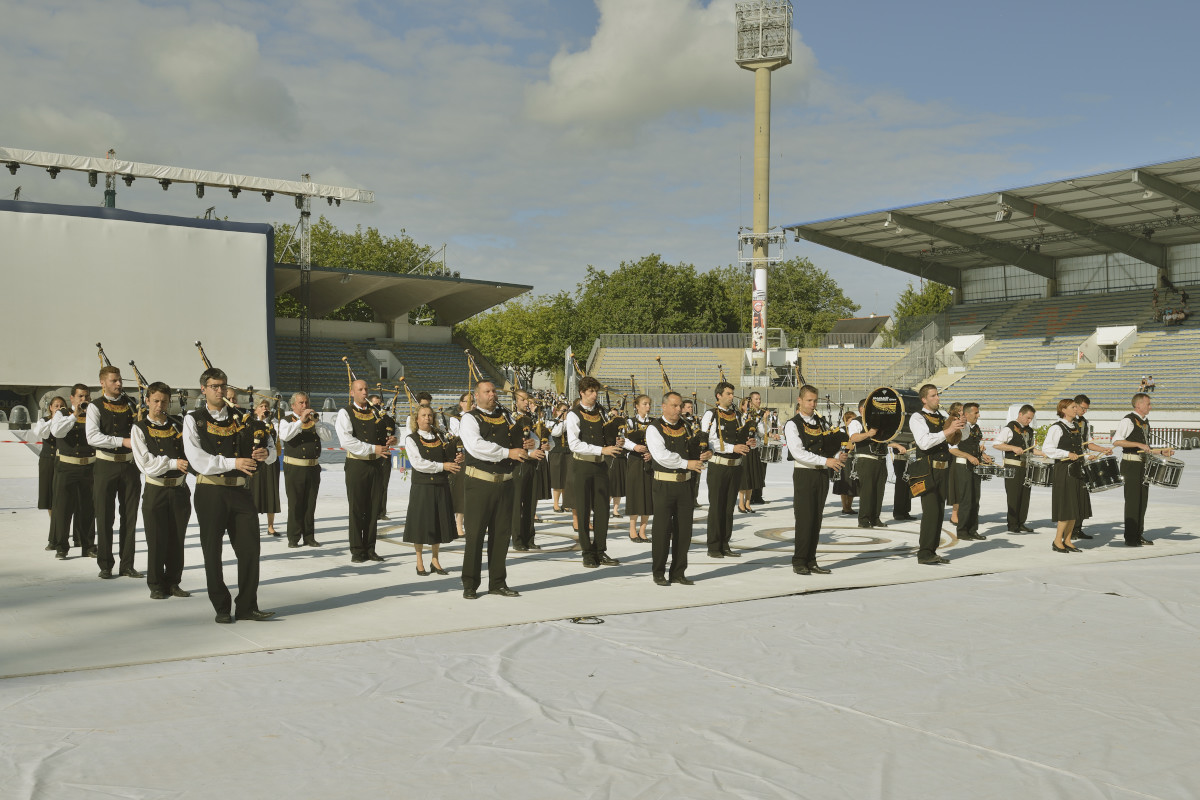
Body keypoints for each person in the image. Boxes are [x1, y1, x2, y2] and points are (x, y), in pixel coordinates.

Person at [183, 367, 275, 624]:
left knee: (250, 550)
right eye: (214, 386)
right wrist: (235, 463)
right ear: (203, 389)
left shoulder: (242, 417)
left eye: (223, 385)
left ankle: (247, 606)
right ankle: (221, 607)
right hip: (210, 490)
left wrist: (266, 454)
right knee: (212, 551)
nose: (220, 390)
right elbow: (198, 459)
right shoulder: (194, 419)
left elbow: (268, 444)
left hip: (241, 491)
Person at [459, 380, 532, 598]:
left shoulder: (506, 416)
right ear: (477, 396)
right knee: (475, 535)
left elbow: (527, 437)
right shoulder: (470, 418)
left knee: (501, 535)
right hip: (479, 483)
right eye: (487, 391)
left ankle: (498, 582)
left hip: (506, 483)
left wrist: (532, 443)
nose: (492, 394)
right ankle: (470, 584)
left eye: (493, 391)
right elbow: (476, 446)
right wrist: (507, 453)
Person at [131, 382, 192, 600]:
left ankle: (173, 581)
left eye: (164, 401)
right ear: (147, 401)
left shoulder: (178, 424)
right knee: (156, 540)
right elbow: (146, 464)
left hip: (179, 490)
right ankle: (156, 584)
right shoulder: (139, 428)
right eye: (155, 401)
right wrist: (174, 463)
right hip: (155, 491)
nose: (160, 405)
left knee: (177, 539)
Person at [645, 391, 710, 585]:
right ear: (663, 407)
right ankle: (658, 572)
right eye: (674, 406)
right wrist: (687, 463)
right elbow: (661, 456)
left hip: (685, 485)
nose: (678, 409)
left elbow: (695, 448)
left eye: (680, 406)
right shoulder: (654, 428)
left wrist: (706, 453)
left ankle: (678, 572)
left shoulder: (687, 426)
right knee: (662, 530)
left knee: (684, 531)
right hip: (664, 484)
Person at [87, 365, 143, 580]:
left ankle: (127, 564)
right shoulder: (95, 406)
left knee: (130, 516)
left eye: (120, 380)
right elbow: (93, 437)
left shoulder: (131, 404)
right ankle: (105, 564)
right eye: (114, 380)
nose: (119, 384)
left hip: (129, 466)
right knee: (104, 516)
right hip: (105, 465)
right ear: (102, 383)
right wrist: (122, 441)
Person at [785, 385, 847, 575]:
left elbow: (825, 448)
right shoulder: (792, 424)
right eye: (809, 400)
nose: (813, 404)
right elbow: (798, 453)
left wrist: (836, 456)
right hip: (805, 474)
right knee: (805, 518)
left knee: (816, 519)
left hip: (821, 474)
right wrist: (826, 461)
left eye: (815, 400)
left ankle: (811, 560)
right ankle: (799, 560)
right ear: (800, 400)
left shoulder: (820, 422)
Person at [566, 376, 624, 569]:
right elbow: (574, 444)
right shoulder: (573, 414)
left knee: (602, 510)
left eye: (595, 391)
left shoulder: (603, 412)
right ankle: (587, 552)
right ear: (582, 393)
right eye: (590, 391)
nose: (594, 395)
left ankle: (600, 550)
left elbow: (608, 437)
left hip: (600, 466)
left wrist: (618, 442)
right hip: (582, 465)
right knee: (583, 510)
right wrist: (602, 449)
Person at [336, 380, 397, 563]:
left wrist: (393, 439)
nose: (364, 392)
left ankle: (370, 548)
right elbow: (346, 441)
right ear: (352, 392)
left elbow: (391, 429)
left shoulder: (376, 411)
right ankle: (357, 550)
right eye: (360, 389)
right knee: (357, 508)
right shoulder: (345, 412)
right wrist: (373, 448)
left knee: (373, 508)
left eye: (366, 389)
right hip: (357, 465)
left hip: (376, 465)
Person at [908, 384, 965, 565]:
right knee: (931, 512)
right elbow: (924, 443)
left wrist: (960, 426)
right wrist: (948, 430)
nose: (937, 398)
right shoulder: (917, 417)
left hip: (943, 470)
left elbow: (954, 442)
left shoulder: (942, 417)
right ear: (924, 399)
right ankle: (924, 553)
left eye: (938, 395)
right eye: (933, 395)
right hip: (927, 470)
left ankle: (931, 551)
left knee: (939, 513)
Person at [404, 405, 462, 576]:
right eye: (423, 415)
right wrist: (443, 466)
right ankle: (419, 561)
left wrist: (458, 457)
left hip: (440, 485)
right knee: (420, 525)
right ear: (416, 419)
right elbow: (418, 463)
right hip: (422, 487)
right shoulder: (411, 439)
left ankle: (435, 560)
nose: (427, 418)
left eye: (430, 415)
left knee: (437, 523)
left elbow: (449, 457)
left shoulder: (441, 437)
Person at [1112, 392, 1174, 546]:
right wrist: (1137, 444)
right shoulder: (1128, 420)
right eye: (1148, 404)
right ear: (1138, 405)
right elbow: (1116, 441)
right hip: (1131, 464)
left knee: (1142, 501)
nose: (1150, 407)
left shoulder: (1144, 422)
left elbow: (1146, 448)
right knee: (1133, 501)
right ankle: (1130, 537)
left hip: (1143, 465)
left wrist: (1161, 452)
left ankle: (1138, 534)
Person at [702, 381, 754, 559]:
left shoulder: (737, 415)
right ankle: (713, 546)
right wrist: (733, 448)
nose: (732, 397)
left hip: (735, 466)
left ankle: (725, 543)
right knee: (717, 506)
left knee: (729, 507)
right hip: (718, 466)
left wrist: (749, 443)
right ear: (719, 395)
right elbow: (710, 440)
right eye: (728, 394)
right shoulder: (711, 414)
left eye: (732, 393)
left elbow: (741, 436)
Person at [277, 391, 333, 548]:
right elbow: (285, 436)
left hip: (313, 468)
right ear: (293, 406)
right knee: (295, 504)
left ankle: (309, 537)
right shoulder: (286, 420)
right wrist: (300, 421)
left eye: (306, 402)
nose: (305, 405)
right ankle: (293, 537)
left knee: (310, 503)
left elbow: (328, 437)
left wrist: (317, 422)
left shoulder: (314, 421)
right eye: (301, 403)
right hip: (294, 468)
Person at [48, 384, 96, 559]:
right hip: (66, 467)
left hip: (88, 467)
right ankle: (61, 546)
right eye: (80, 396)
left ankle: (88, 545)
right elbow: (57, 432)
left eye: (86, 396)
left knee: (88, 508)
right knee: (63, 508)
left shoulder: (93, 414)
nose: (84, 399)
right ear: (72, 398)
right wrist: (75, 415)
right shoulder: (62, 413)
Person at [1041, 398, 1087, 553]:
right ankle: (1057, 540)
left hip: (1076, 469)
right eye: (1073, 407)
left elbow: (1078, 450)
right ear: (1063, 410)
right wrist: (1066, 453)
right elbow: (1048, 449)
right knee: (1066, 506)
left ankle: (1067, 540)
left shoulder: (1075, 426)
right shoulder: (1057, 428)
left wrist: (1087, 456)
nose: (1076, 409)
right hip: (1064, 470)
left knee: (1075, 507)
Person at [947, 402, 991, 541]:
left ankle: (972, 530)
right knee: (965, 500)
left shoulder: (975, 428)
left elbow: (974, 446)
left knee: (975, 500)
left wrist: (982, 454)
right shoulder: (960, 428)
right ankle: (962, 531)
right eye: (976, 413)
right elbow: (952, 449)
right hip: (962, 467)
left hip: (974, 467)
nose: (978, 415)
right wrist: (969, 456)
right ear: (966, 414)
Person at [1072, 394, 1113, 540]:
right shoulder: (1066, 422)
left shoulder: (1085, 422)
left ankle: (1078, 528)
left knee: (1082, 497)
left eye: (1086, 409)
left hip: (1082, 462)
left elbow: (1088, 443)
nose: (1085, 411)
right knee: (1072, 498)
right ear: (1075, 405)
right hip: (1071, 463)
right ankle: (1069, 530)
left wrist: (1103, 449)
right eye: (1083, 408)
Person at [992, 404, 1039, 533]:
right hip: (1013, 467)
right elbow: (996, 444)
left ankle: (1021, 522)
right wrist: (1012, 448)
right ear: (1020, 414)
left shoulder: (1029, 431)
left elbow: (1030, 449)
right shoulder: (1009, 428)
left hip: (1026, 467)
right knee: (1014, 496)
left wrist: (1043, 453)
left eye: (1031, 418)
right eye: (1028, 418)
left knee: (1025, 496)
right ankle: (1012, 524)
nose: (1029, 420)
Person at [31, 396, 67, 550]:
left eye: (61, 406)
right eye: (56, 406)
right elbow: (41, 433)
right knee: (49, 494)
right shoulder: (44, 420)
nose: (58, 408)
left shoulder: (68, 420)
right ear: (50, 407)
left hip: (62, 459)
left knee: (62, 494)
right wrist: (54, 419)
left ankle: (61, 526)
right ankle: (54, 525)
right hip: (47, 459)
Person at [847, 398, 888, 529]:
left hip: (881, 460)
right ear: (861, 409)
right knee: (867, 491)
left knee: (879, 491)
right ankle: (863, 520)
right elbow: (853, 437)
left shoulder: (879, 422)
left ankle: (875, 518)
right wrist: (868, 434)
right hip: (866, 459)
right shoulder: (856, 422)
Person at [509, 389, 541, 551]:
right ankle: (518, 539)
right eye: (522, 400)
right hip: (518, 463)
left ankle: (529, 537)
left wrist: (541, 445)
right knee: (517, 504)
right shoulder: (510, 419)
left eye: (528, 399)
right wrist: (529, 452)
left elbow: (538, 439)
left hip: (532, 464)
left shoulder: (533, 418)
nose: (526, 402)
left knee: (531, 502)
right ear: (515, 402)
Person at [623, 394, 655, 542]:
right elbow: (622, 439)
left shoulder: (654, 423)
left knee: (648, 495)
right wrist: (634, 446)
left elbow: (659, 442)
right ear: (637, 406)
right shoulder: (630, 422)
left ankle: (643, 530)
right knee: (635, 494)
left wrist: (652, 454)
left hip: (649, 462)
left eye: (649, 404)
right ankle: (632, 530)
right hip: (635, 461)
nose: (648, 407)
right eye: (644, 404)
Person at [249, 399, 281, 536]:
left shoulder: (274, 424)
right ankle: (253, 525)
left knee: (271, 492)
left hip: (270, 461)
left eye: (266, 406)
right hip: (255, 461)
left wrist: (268, 421)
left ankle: (270, 526)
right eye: (261, 406)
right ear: (256, 410)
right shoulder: (250, 423)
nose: (264, 408)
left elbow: (277, 438)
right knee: (254, 492)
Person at [446, 392, 473, 538]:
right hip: (462, 456)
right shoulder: (456, 419)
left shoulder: (479, 417)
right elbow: (460, 435)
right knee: (461, 492)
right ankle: (458, 524)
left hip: (476, 457)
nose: (471, 404)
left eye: (472, 401)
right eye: (467, 401)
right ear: (461, 403)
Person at [742, 391, 768, 509]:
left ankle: (754, 497)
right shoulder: (744, 415)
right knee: (746, 474)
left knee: (756, 473)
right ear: (750, 401)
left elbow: (763, 432)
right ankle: (744, 500)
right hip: (745, 447)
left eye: (759, 399)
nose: (759, 401)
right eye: (756, 399)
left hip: (756, 447)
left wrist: (765, 420)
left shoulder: (761, 414)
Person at [832, 410, 859, 516]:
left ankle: (849, 506)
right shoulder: (842, 431)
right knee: (844, 483)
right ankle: (845, 506)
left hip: (854, 459)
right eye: (851, 420)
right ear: (846, 420)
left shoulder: (856, 431)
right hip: (844, 459)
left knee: (853, 483)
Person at [547, 401, 570, 513]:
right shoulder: (551, 422)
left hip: (567, 452)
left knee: (567, 479)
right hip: (556, 453)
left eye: (567, 411)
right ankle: (556, 504)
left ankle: (566, 503)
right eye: (563, 410)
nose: (565, 413)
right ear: (557, 411)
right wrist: (565, 421)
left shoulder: (568, 422)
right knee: (557, 479)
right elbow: (555, 432)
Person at [680, 398, 702, 508]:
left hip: (696, 452)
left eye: (691, 407)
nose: (691, 409)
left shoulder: (695, 420)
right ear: (683, 409)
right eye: (688, 407)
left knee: (696, 478)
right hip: (686, 452)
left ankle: (694, 499)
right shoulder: (681, 420)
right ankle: (686, 500)